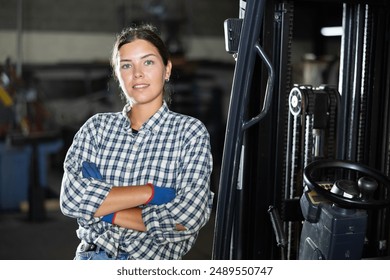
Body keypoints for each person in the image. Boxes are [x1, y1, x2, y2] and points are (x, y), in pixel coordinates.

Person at [60, 24, 214, 260]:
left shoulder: (189, 133)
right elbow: (71, 199)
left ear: (167, 69)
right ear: (118, 74)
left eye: (148, 62)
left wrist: (104, 210)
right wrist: (149, 194)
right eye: (126, 65)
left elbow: (186, 218)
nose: (137, 73)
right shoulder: (97, 128)